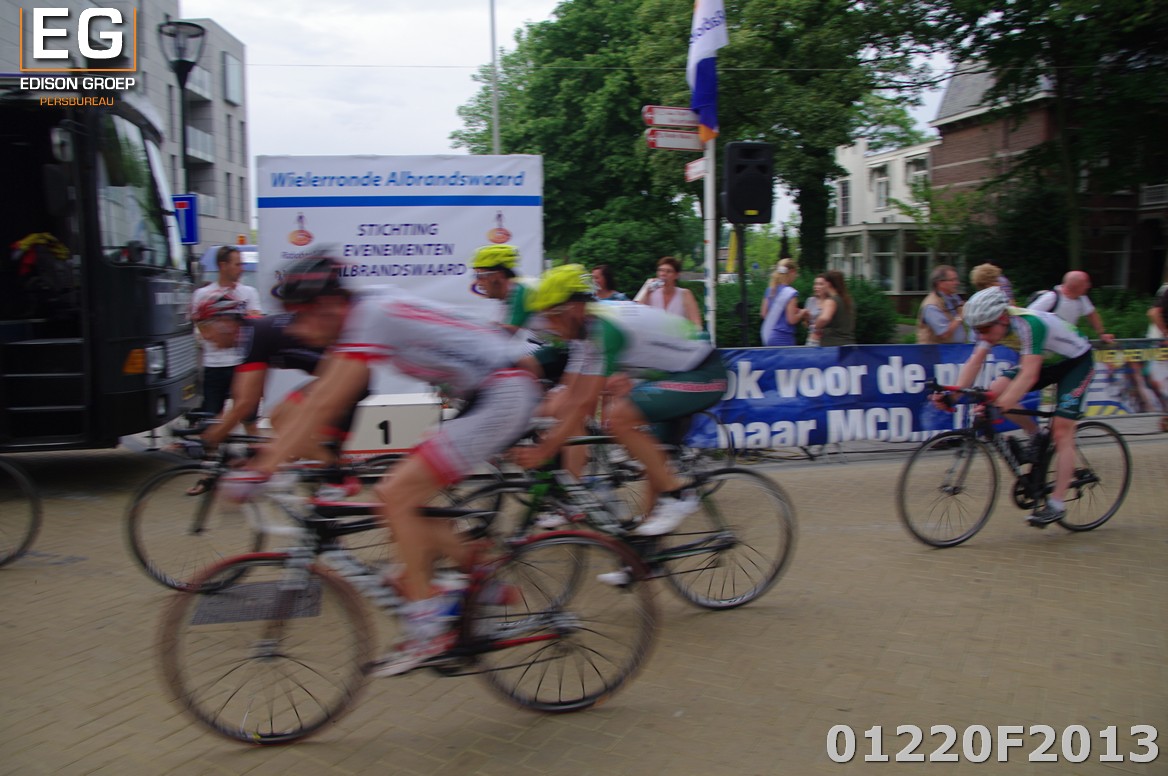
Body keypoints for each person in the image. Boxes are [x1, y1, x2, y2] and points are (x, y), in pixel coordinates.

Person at [229, 256, 542, 675]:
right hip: (491, 391)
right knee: (401, 502)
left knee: (394, 494)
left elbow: (323, 405)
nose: (297, 331)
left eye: (300, 317)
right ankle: (479, 575)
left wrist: (260, 470)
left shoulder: (370, 316)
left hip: (503, 391)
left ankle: (427, 625)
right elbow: (317, 401)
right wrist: (267, 463)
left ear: (327, 306)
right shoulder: (360, 316)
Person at [514, 265, 727, 537]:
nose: (550, 327)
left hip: (703, 373)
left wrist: (546, 449)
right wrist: (529, 422)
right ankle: (644, 548)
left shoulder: (604, 328)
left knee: (618, 418)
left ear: (573, 308)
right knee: (653, 459)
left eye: (553, 317)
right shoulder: (584, 332)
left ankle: (679, 494)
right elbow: (570, 396)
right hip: (670, 376)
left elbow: (584, 403)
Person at [940, 287, 1095, 525]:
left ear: (1002, 318)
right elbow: (974, 362)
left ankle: (1056, 504)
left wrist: (1000, 407)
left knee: (1062, 430)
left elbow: (1029, 376)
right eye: (977, 331)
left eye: (985, 330)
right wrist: (953, 396)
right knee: (993, 392)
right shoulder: (991, 326)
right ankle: (1035, 435)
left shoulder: (1030, 325)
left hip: (1076, 363)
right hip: (1046, 362)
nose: (982, 336)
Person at [190, 246, 262, 420]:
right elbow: (202, 329)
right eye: (237, 264)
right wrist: (228, 328)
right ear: (223, 266)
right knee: (212, 419)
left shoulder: (248, 292)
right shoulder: (202, 294)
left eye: (242, 264)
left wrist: (225, 328)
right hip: (214, 365)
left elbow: (255, 323)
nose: (242, 268)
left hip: (242, 364)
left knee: (248, 417)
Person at [1027, 270, 1115, 344]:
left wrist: (1102, 334)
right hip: (1044, 344)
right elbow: (1027, 316)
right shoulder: (1052, 297)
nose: (1089, 286)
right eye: (1086, 283)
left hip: (1065, 342)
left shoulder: (1081, 298)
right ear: (1075, 286)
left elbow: (1091, 314)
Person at [634, 256, 702, 327]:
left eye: (668, 271)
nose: (663, 274)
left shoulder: (684, 294)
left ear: (676, 275)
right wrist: (646, 290)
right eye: (661, 270)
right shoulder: (650, 292)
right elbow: (636, 313)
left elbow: (696, 323)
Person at [916, 265, 967, 344]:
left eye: (956, 279)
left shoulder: (954, 298)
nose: (957, 283)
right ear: (939, 283)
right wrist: (960, 316)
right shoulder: (931, 306)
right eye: (952, 280)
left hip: (955, 349)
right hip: (937, 351)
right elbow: (944, 333)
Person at [759, 258, 804, 346]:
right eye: (796, 273)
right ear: (792, 271)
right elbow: (791, 320)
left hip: (768, 335)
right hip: (784, 337)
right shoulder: (791, 293)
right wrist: (802, 313)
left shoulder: (770, 290)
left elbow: (763, 314)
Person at [810, 270, 855, 346]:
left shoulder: (831, 301)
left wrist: (815, 326)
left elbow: (824, 318)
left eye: (823, 283)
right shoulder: (848, 301)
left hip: (832, 344)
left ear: (828, 284)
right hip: (849, 343)